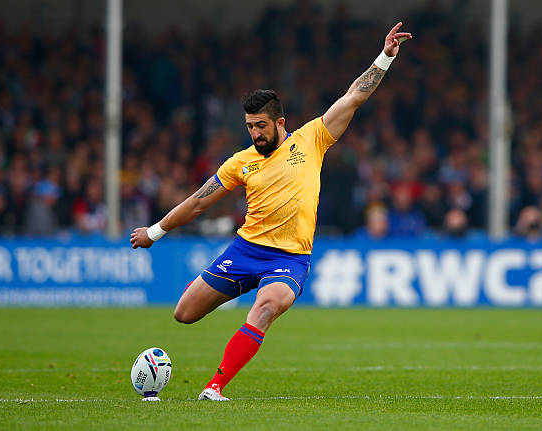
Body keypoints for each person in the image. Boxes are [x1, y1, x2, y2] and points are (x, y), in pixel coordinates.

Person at [130, 22, 412, 401]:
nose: (255, 134)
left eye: (261, 126)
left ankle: (214, 388)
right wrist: (155, 231)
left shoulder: (312, 138)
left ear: (280, 122)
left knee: (264, 308)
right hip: (246, 250)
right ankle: (222, 284)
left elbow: (352, 97)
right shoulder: (240, 162)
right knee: (184, 313)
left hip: (290, 258)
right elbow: (198, 200)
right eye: (249, 127)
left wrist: (384, 58)